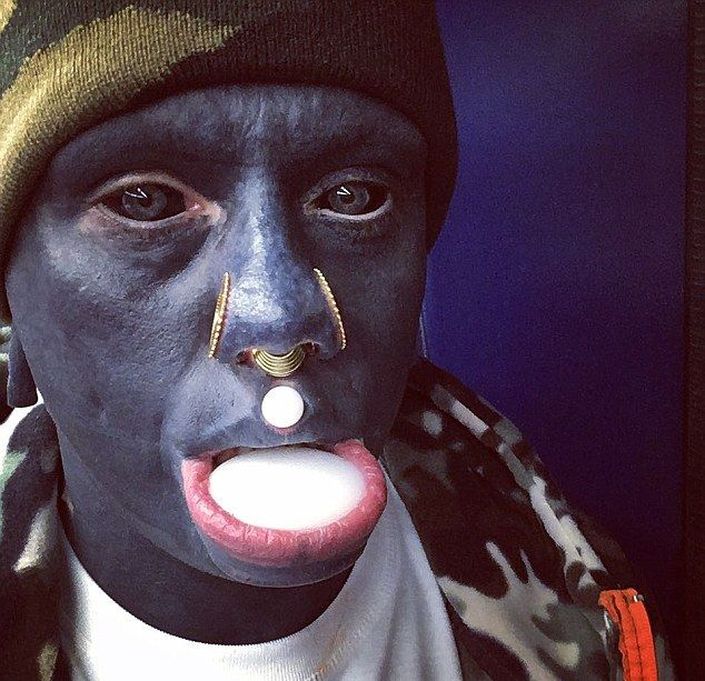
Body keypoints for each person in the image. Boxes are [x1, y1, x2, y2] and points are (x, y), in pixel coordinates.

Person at [0, 2, 674, 680]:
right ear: (10, 293)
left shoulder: (584, 596)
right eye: (144, 201)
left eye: (354, 196)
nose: (279, 322)